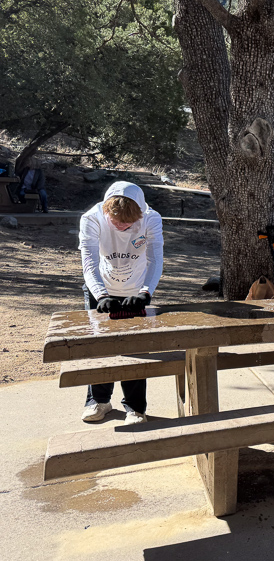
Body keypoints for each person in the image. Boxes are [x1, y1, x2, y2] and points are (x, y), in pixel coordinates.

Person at [79, 182, 163, 424]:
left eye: (129, 223)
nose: (122, 226)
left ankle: (135, 408)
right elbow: (89, 262)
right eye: (117, 222)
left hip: (135, 290)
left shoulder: (151, 218)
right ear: (107, 211)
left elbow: (156, 257)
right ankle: (98, 401)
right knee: (100, 346)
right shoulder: (91, 219)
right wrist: (101, 295)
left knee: (135, 348)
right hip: (101, 288)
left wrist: (146, 292)